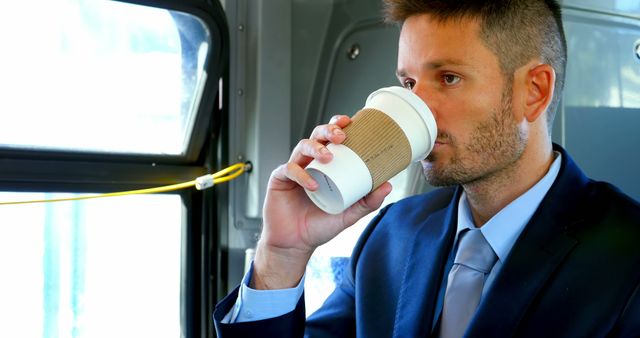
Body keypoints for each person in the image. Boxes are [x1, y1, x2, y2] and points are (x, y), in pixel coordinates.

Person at [214, 0, 640, 337]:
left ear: (534, 91)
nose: (420, 108)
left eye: (449, 78)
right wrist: (282, 256)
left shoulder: (628, 260)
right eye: (409, 84)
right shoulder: (391, 233)